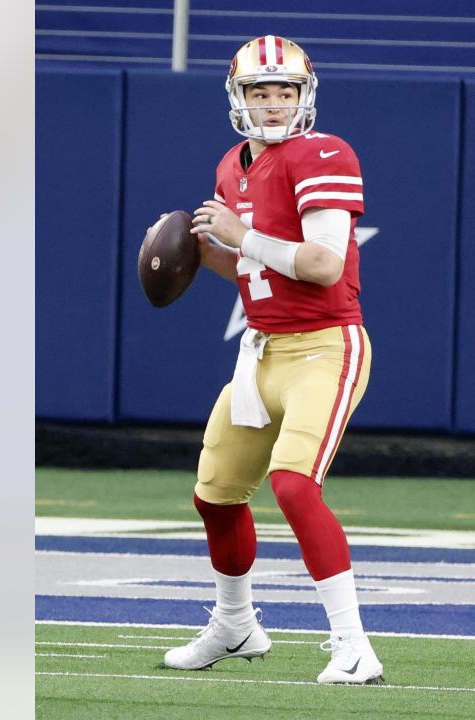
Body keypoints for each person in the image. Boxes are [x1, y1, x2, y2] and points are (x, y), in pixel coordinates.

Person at [160, 35, 382, 685]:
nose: (275, 103)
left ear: (305, 96)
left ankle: (353, 645)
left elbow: (322, 264)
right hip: (260, 354)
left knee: (292, 483)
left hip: (324, 347)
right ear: (239, 99)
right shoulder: (232, 165)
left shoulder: (323, 153)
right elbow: (254, 268)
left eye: (286, 91)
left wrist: (242, 235)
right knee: (216, 496)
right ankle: (235, 625)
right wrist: (209, 254)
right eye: (262, 91)